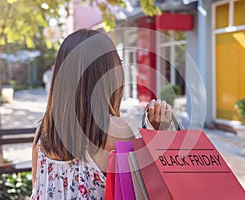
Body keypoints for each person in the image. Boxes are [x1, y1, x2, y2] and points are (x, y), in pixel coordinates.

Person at [30, 29, 172, 199]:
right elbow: (146, 191)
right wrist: (160, 133)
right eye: (117, 63)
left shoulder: (42, 131)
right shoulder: (115, 130)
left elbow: (38, 189)